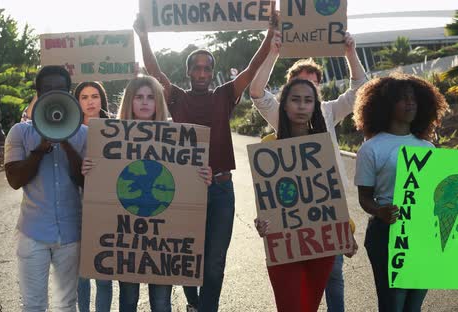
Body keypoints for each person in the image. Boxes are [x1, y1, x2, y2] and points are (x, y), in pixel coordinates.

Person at [133, 12, 274, 311]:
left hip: (222, 190)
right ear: (188, 73)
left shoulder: (225, 96)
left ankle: (205, 308)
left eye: (206, 68)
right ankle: (195, 303)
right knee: (187, 257)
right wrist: (143, 36)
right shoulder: (177, 98)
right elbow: (155, 71)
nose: (201, 73)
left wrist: (270, 34)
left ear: (212, 71)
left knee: (214, 262)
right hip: (185, 192)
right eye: (196, 68)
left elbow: (251, 69)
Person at [249, 29, 367, 312]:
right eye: (298, 92)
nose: (303, 101)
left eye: (311, 91)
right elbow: (256, 92)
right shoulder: (280, 116)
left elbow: (360, 88)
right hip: (288, 226)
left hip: (326, 214)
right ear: (288, 94)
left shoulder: (328, 112)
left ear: (318, 94)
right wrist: (273, 53)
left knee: (332, 280)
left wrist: (350, 53)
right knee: (295, 297)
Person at [81, 76, 212, 312]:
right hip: (126, 239)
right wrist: (90, 169)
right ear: (129, 101)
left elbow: (186, 181)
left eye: (151, 97)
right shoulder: (110, 135)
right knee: (128, 300)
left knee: (162, 303)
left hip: (164, 240)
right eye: (139, 97)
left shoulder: (177, 134)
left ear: (158, 102)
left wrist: (201, 176)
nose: (144, 102)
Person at [353, 73, 448, 312]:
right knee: (392, 306)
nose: (411, 103)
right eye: (403, 99)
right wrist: (379, 211)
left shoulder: (427, 147)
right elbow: (364, 197)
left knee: (413, 307)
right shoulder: (371, 148)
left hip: (423, 233)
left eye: (414, 98)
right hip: (387, 233)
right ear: (386, 105)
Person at [4, 65, 87, 312]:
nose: (54, 94)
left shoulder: (85, 134)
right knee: (34, 305)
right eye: (48, 90)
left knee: (66, 303)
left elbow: (85, 181)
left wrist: (67, 143)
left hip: (71, 234)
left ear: (69, 94)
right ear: (38, 94)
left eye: (60, 90)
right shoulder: (20, 132)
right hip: (33, 233)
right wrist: (40, 149)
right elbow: (15, 180)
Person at [73, 81, 113, 312]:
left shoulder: (117, 128)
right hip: (76, 207)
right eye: (84, 97)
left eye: (95, 96)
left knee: (104, 274)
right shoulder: (67, 130)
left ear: (102, 99)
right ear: (77, 102)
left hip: (106, 210)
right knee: (81, 273)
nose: (90, 101)